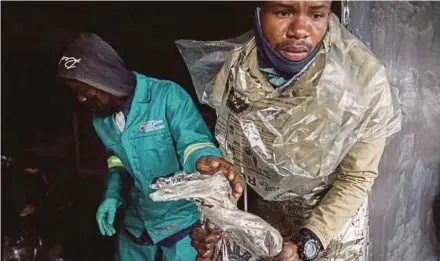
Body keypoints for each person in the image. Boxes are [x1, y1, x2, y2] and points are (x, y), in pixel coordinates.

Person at [185, 1, 401, 261]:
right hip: (268, 222)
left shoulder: (363, 79)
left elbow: (356, 177)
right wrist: (217, 221)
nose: (300, 30)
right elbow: (235, 163)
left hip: (333, 229)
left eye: (317, 15)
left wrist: (309, 241)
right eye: (283, 12)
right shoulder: (237, 72)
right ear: (259, 13)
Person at [57, 33, 242, 261]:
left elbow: (193, 141)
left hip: (182, 223)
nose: (82, 99)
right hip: (137, 223)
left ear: (103, 79)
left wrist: (203, 159)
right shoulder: (101, 120)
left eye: (85, 90)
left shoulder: (166, 96)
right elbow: (116, 161)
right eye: (76, 93)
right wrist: (113, 196)